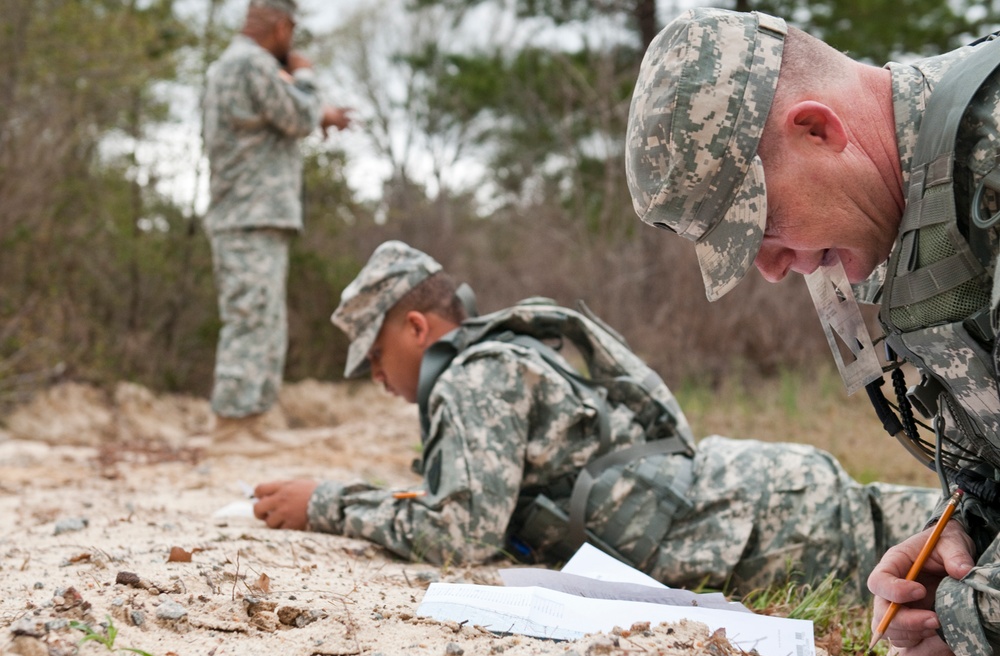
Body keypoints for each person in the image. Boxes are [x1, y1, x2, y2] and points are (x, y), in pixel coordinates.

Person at [624, 8, 1000, 656]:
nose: (770, 270)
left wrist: (967, 622)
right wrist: (965, 535)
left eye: (763, 224)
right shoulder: (891, 219)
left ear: (818, 129)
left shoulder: (991, 149)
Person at [253, 240, 939, 597]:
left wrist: (326, 502)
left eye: (375, 357)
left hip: (764, 527)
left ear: (414, 326)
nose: (376, 378)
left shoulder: (474, 376)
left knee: (956, 549)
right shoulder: (503, 358)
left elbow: (457, 532)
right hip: (759, 501)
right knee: (951, 530)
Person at [200, 0, 351, 447]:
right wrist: (304, 74)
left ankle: (255, 418)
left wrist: (318, 108)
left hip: (254, 215)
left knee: (263, 319)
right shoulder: (249, 64)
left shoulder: (241, 68)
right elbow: (298, 114)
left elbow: (289, 113)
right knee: (251, 317)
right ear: (281, 27)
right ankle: (233, 424)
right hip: (248, 214)